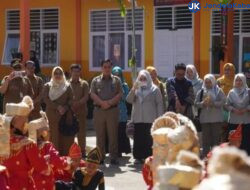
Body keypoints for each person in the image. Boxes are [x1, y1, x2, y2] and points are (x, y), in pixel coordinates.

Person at [0, 96, 50, 190]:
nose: (26, 121)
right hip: (23, 185)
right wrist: (45, 161)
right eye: (25, 118)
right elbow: (42, 168)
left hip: (3, 184)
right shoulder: (27, 143)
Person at [126, 70, 163, 164]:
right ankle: (138, 157)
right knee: (138, 138)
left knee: (148, 139)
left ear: (148, 79)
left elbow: (159, 104)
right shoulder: (136, 89)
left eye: (144, 79)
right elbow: (129, 100)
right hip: (138, 118)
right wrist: (133, 89)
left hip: (150, 118)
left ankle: (149, 157)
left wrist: (159, 119)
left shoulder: (155, 89)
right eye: (140, 79)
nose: (142, 80)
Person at [90, 59, 122, 165]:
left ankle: (113, 157)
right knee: (100, 135)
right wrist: (102, 103)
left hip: (112, 110)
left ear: (111, 67)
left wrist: (109, 103)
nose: (107, 69)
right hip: (99, 110)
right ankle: (100, 157)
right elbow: (92, 94)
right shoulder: (95, 80)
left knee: (113, 134)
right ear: (101, 68)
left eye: (109, 67)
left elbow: (120, 94)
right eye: (105, 67)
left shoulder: (116, 80)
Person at [29, 111, 70, 190]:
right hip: (45, 183)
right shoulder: (47, 146)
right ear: (44, 133)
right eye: (49, 131)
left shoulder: (26, 146)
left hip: (31, 183)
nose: (50, 133)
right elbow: (56, 159)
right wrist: (66, 164)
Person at [42, 66, 73, 155]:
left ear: (63, 74)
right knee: (53, 135)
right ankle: (53, 156)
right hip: (52, 115)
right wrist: (58, 107)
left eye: (60, 73)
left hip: (64, 115)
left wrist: (65, 108)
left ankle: (63, 157)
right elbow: (45, 99)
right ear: (52, 74)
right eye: (56, 73)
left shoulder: (67, 86)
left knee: (64, 136)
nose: (58, 75)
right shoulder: (48, 86)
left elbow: (71, 99)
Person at [195, 74, 226, 157]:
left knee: (215, 140)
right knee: (205, 140)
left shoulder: (218, 90)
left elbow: (223, 101)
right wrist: (203, 104)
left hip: (216, 119)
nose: (208, 84)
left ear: (213, 82)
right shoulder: (201, 91)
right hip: (205, 119)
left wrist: (214, 103)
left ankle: (215, 157)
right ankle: (206, 157)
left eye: (210, 82)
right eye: (206, 82)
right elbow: (196, 103)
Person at [70, 64, 89, 156]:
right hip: (70, 112)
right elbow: (65, 97)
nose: (76, 73)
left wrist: (78, 103)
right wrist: (71, 104)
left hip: (81, 112)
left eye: (78, 71)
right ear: (71, 72)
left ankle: (83, 152)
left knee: (81, 133)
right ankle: (72, 151)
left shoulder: (84, 84)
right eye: (74, 71)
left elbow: (86, 96)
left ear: (80, 72)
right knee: (70, 133)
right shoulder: (66, 83)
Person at [112, 66, 131, 156]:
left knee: (121, 131)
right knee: (113, 131)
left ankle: (121, 150)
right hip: (112, 110)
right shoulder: (109, 84)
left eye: (118, 75)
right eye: (115, 75)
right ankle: (113, 150)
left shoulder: (125, 85)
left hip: (122, 111)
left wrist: (120, 91)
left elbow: (126, 98)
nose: (117, 77)